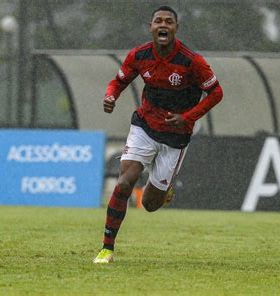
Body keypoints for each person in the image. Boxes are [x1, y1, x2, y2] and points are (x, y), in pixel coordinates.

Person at [93, 5, 223, 263]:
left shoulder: (191, 61)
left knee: (151, 204)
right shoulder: (140, 55)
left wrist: (186, 118)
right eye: (158, 21)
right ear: (151, 27)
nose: (163, 25)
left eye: (168, 22)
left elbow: (216, 93)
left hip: (176, 136)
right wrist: (111, 96)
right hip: (144, 126)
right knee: (123, 184)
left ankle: (165, 187)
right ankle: (107, 248)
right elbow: (118, 81)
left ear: (176, 28)